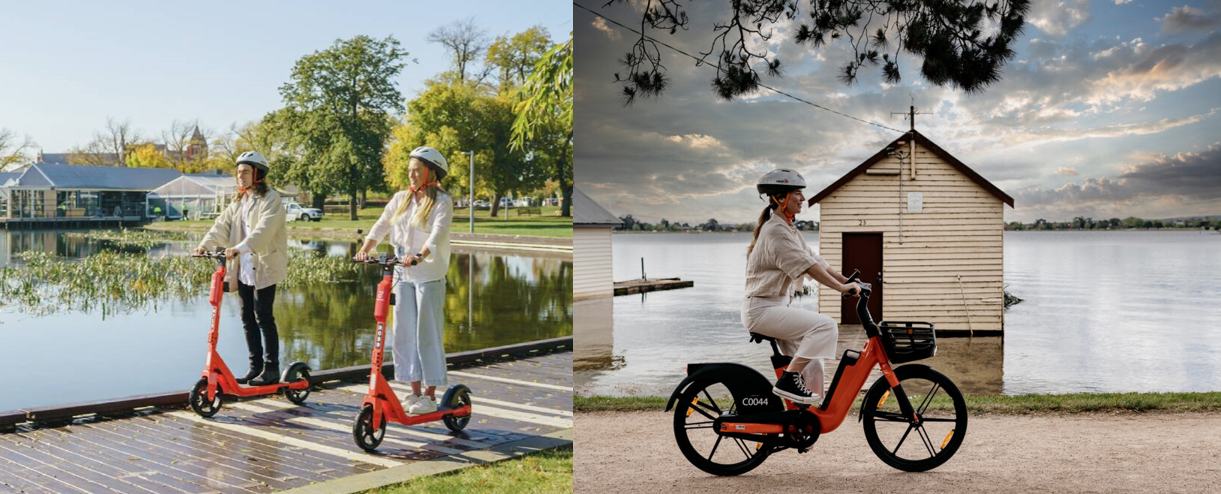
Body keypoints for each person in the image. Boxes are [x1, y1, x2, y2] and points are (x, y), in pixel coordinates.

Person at [740, 169, 863, 405]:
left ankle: (806, 418)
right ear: (779, 198)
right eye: (797, 193)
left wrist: (847, 281)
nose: (803, 199)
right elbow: (807, 267)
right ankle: (788, 379)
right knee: (826, 326)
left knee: (813, 360)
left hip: (775, 308)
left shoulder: (788, 228)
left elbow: (815, 260)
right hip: (762, 310)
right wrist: (840, 288)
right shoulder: (776, 231)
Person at [355, 146, 453, 414]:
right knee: (402, 333)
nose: (411, 175)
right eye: (409, 171)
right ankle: (414, 392)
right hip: (402, 273)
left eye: (416, 171)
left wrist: (420, 255)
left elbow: (437, 235)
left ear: (430, 172)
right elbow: (382, 224)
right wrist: (366, 248)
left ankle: (431, 396)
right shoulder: (401, 198)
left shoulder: (442, 201)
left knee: (426, 334)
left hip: (428, 275)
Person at [194, 151, 288, 386]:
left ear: (257, 174)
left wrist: (240, 247)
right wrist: (205, 245)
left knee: (264, 316)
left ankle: (272, 369)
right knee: (247, 317)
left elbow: (264, 230)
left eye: (245, 172)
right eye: (238, 172)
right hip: (242, 266)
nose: (240, 176)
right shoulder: (239, 201)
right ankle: (254, 367)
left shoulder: (271, 199)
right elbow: (221, 225)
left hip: (262, 264)